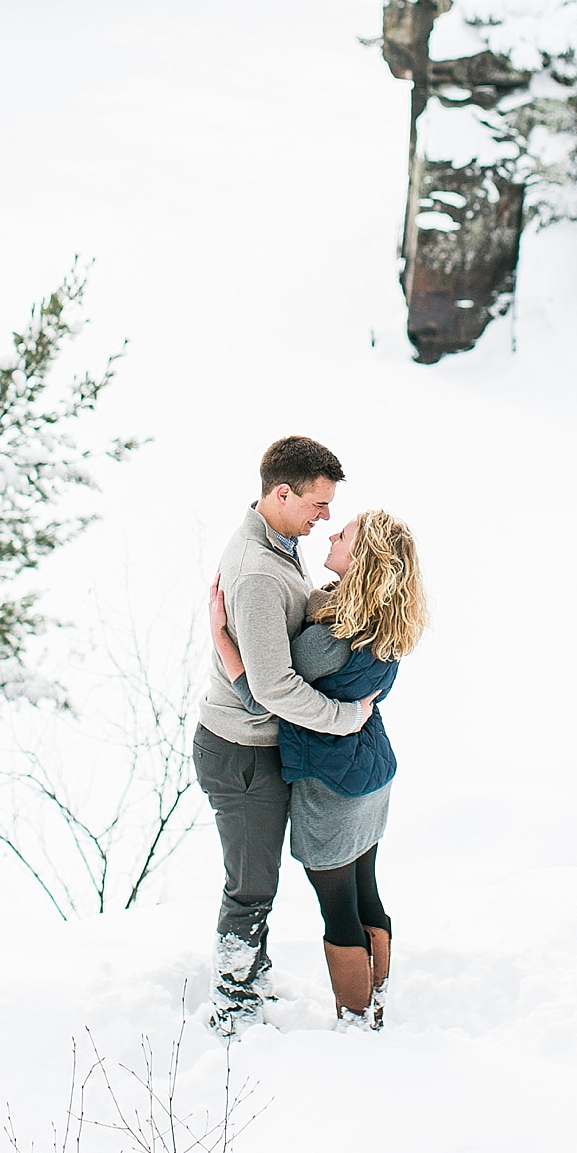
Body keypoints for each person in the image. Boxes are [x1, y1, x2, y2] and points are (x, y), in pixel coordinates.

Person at [210, 508, 427, 1030]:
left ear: (365, 559)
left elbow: (271, 692)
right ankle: (374, 1002)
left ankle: (357, 1020)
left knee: (339, 909)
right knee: (366, 891)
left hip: (332, 787)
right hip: (370, 775)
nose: (332, 532)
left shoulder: (328, 640)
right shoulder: (384, 623)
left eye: (344, 533)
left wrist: (222, 636)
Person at [193, 436, 378, 1036]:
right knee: (251, 887)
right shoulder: (257, 574)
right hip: (242, 752)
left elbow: (279, 636)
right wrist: (344, 717)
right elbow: (272, 689)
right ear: (282, 492)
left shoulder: (279, 545)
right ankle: (234, 1006)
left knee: (259, 880)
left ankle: (253, 979)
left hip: (260, 743)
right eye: (317, 505)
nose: (325, 518)